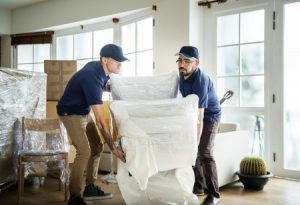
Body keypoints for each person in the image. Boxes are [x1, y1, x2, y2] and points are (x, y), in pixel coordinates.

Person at [57, 44, 127, 205]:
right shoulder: (92, 77)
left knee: (97, 147)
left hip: (83, 111)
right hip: (70, 113)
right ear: (104, 60)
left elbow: (103, 84)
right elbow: (101, 123)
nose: (120, 64)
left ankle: (90, 187)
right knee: (84, 151)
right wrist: (114, 149)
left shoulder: (100, 70)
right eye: (117, 61)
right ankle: (74, 197)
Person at [175, 46, 221, 205]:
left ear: (197, 63)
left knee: (204, 151)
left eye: (187, 61)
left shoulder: (201, 80)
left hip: (209, 116)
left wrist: (195, 141)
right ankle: (198, 186)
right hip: (193, 114)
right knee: (191, 150)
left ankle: (214, 195)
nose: (182, 64)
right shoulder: (182, 75)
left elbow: (200, 118)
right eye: (180, 60)